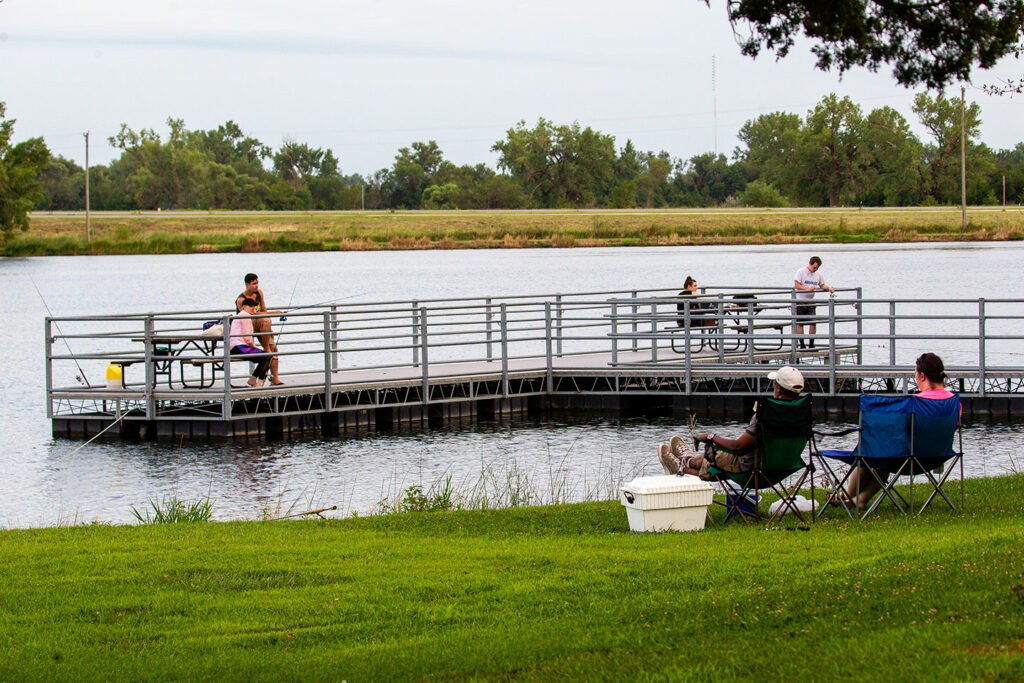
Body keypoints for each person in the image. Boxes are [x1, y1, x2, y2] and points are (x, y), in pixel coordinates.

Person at [834, 353, 956, 510]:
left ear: (923, 376)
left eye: (916, 375)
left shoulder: (918, 403)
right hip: (938, 457)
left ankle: (846, 496)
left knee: (870, 449)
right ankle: (857, 499)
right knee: (876, 453)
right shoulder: (954, 401)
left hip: (909, 460)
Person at [657, 366, 805, 478]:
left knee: (712, 456)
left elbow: (737, 446)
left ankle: (680, 468)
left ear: (778, 390)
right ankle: (687, 460)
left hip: (752, 468)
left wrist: (710, 437)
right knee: (721, 455)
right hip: (784, 467)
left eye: (774, 385)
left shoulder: (766, 413)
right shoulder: (803, 413)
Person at [235, 273, 283, 384]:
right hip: (248, 325)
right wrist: (274, 313)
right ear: (247, 284)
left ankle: (274, 378)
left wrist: (269, 329)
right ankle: (266, 350)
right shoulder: (241, 300)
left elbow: (264, 311)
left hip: (262, 324)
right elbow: (251, 315)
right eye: (253, 284)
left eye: (257, 283)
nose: (256, 286)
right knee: (268, 349)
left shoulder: (259, 293)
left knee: (274, 349)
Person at [230, 299, 278, 387]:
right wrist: (256, 348)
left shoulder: (241, 315)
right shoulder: (245, 315)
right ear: (244, 307)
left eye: (254, 307)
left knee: (265, 356)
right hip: (239, 347)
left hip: (235, 348)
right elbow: (248, 338)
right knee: (267, 356)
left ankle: (253, 379)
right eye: (250, 306)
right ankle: (260, 383)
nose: (253, 308)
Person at [792, 256, 835, 348]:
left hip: (811, 302)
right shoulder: (801, 272)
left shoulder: (818, 274)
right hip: (800, 301)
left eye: (817, 268)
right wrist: (807, 289)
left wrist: (829, 288)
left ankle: (811, 344)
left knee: (813, 323)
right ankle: (802, 344)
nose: (815, 269)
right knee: (800, 323)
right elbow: (797, 285)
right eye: (814, 267)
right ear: (810, 264)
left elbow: (822, 285)